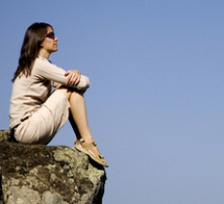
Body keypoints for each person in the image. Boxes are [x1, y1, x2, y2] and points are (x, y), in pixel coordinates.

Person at [9, 22, 108, 167]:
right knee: (70, 89)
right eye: (51, 35)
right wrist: (78, 75)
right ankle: (87, 142)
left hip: (27, 130)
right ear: (40, 40)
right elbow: (82, 83)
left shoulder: (40, 64)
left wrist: (76, 73)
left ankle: (84, 141)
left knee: (69, 88)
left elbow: (71, 81)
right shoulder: (38, 64)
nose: (56, 39)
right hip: (27, 130)